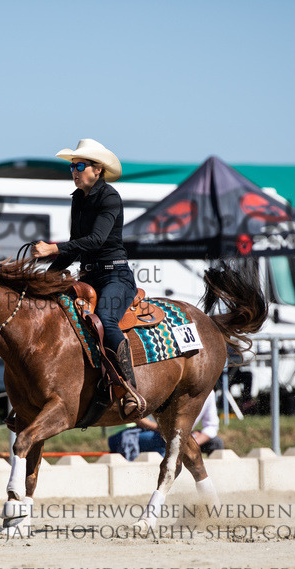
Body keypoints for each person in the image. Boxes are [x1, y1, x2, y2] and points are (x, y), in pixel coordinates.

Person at [30, 138, 145, 418]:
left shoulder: (109, 197)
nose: (74, 171)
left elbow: (94, 241)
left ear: (98, 170)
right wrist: (46, 279)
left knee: (106, 321)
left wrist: (53, 248)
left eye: (80, 165)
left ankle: (129, 389)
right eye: (72, 166)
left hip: (116, 276)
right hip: (89, 277)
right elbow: (76, 244)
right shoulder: (78, 199)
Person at [108, 390, 224, 461]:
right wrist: (162, 429)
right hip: (149, 432)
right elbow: (138, 418)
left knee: (216, 442)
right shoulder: (167, 386)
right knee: (167, 441)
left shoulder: (208, 393)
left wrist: (191, 443)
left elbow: (211, 426)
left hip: (177, 435)